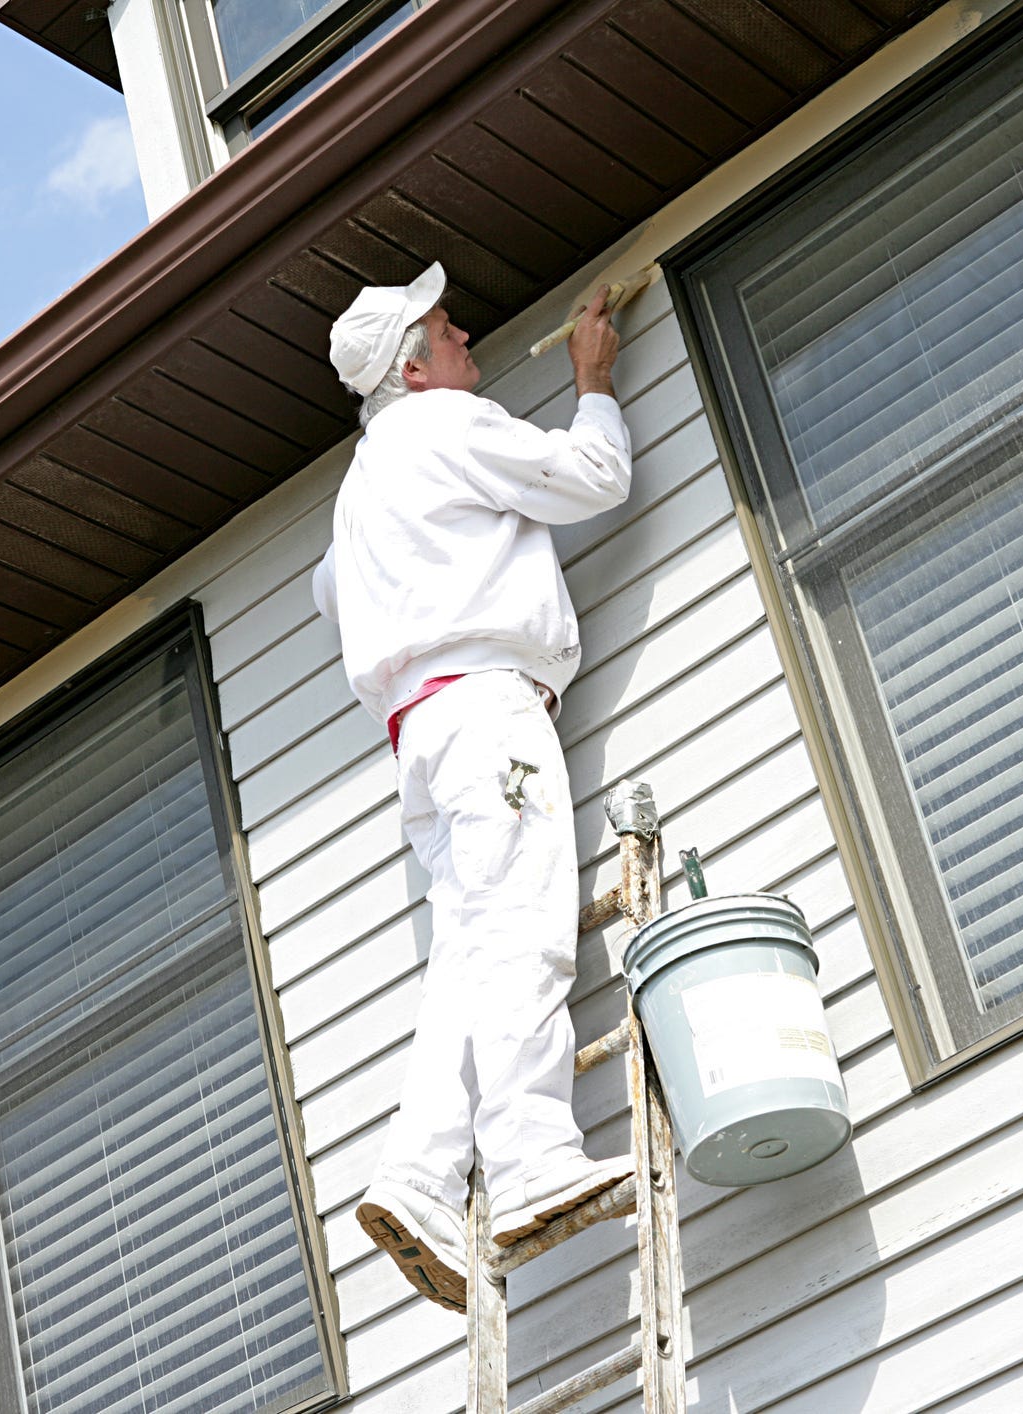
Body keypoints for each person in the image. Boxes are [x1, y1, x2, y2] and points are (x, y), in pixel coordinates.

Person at [313, 261, 635, 1311]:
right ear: (411, 367)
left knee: (467, 954)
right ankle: (536, 1162)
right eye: (448, 332)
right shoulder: (444, 425)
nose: (467, 341)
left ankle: (415, 1179)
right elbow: (591, 480)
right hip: (488, 710)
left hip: (420, 736)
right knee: (523, 932)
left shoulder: (357, 498)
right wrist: (592, 378)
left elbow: (334, 599)